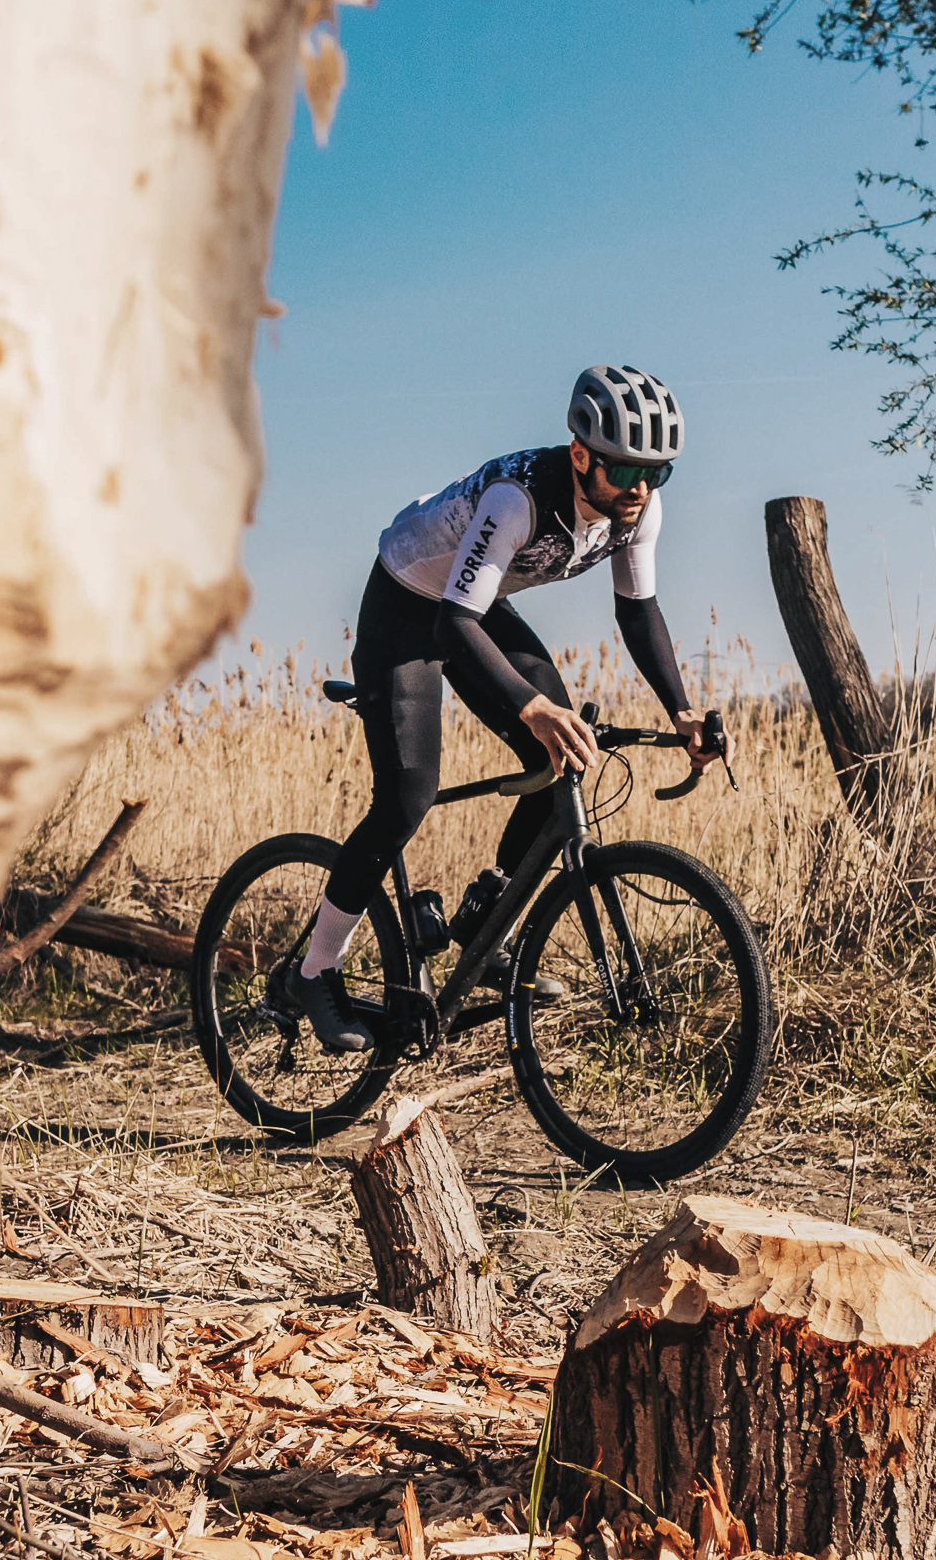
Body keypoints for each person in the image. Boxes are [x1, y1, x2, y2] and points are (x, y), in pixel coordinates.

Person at [285, 365, 728, 1051]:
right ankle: (314, 972)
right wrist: (531, 707)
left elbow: (638, 611)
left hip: (476, 606)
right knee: (408, 795)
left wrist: (682, 711)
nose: (640, 490)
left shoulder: (637, 509)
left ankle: (485, 921)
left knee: (561, 756)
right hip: (410, 607)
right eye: (625, 472)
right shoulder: (516, 501)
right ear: (580, 456)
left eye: (658, 473)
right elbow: (452, 626)